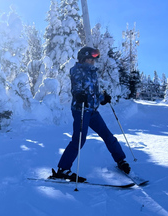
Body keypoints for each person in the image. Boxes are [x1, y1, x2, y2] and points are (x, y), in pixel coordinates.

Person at [52, 46, 131, 182]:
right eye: (91, 59)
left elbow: (93, 92)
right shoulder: (77, 71)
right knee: (79, 140)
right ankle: (63, 169)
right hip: (81, 110)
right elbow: (76, 87)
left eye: (94, 59)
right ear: (84, 58)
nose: (93, 61)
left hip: (93, 111)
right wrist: (78, 95)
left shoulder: (93, 72)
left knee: (107, 135)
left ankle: (121, 160)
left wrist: (102, 98)